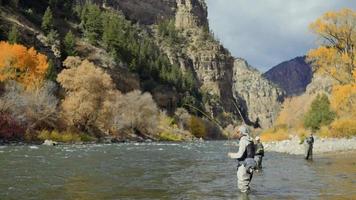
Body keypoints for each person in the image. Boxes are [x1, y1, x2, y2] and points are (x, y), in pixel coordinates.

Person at [228, 125, 256, 193]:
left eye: (238, 132)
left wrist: (231, 155)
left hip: (244, 166)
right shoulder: (251, 140)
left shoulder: (243, 140)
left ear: (242, 132)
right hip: (250, 166)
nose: (237, 134)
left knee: (243, 188)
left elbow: (240, 155)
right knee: (246, 186)